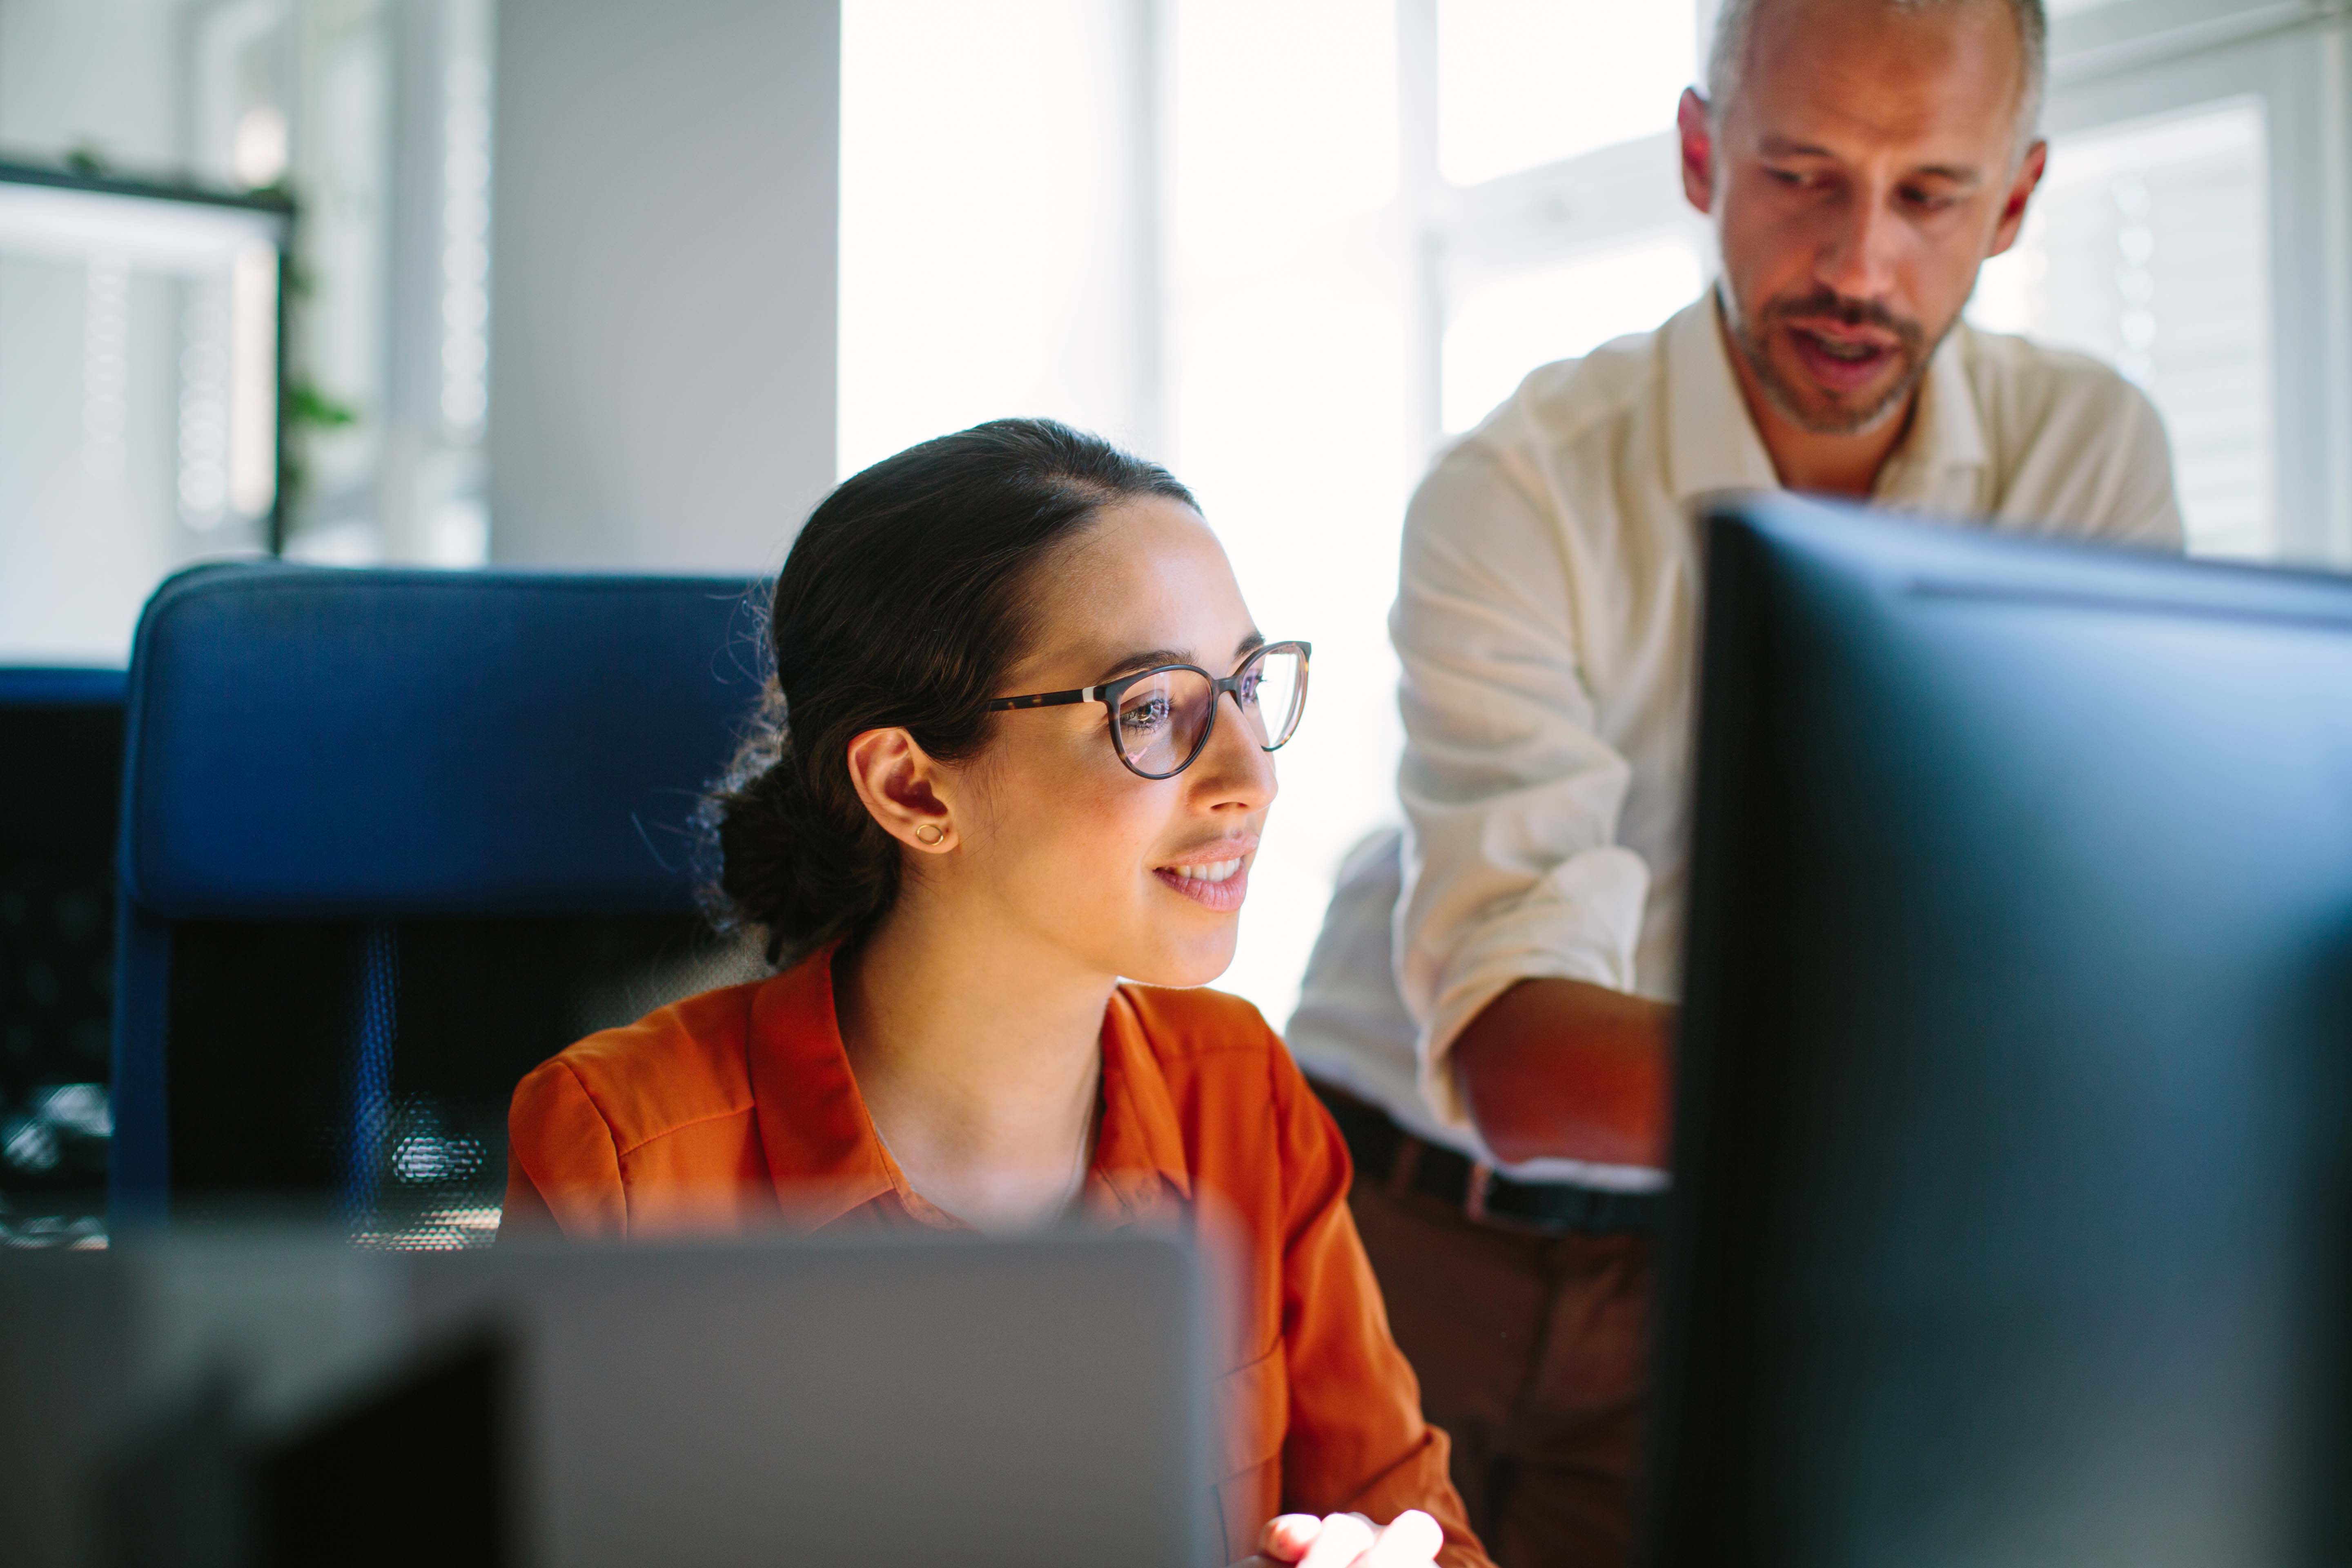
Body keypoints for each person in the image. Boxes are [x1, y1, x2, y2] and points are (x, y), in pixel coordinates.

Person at [1285, 2, 2184, 1565]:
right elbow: (1517, 1055)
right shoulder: (1518, 485)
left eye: (1930, 194)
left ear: (2017, 199)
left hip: (1733, 1249)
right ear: (1702, 156)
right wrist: (1992, 1105)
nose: (1858, 264)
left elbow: (2079, 929)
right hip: (1396, 1221)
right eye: (1800, 174)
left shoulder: (2086, 458)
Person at [500, 419, 1493, 1568]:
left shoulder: (1239, 1095)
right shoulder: (625, 1152)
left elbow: (1423, 1530)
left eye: (1247, 686)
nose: (1253, 778)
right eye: (1149, 708)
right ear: (914, 789)